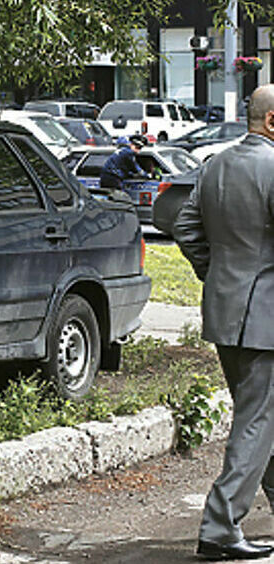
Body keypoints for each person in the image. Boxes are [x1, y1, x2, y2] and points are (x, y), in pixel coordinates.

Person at [172, 83, 274, 561]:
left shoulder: (215, 165)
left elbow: (185, 226)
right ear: (271, 121)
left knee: (262, 419)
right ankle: (219, 525)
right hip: (266, 319)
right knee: (257, 421)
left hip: (225, 311)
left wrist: (215, 277)